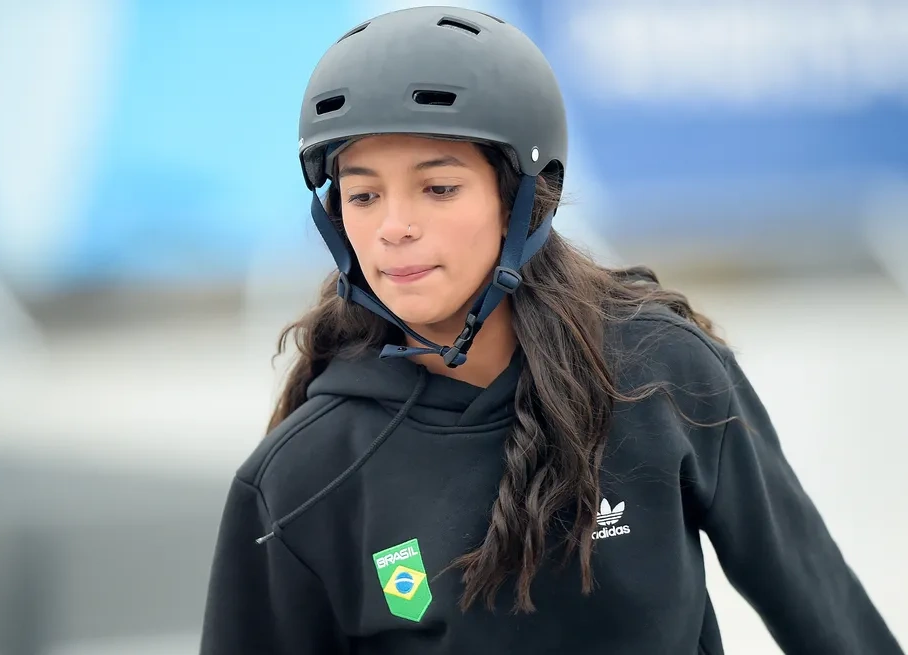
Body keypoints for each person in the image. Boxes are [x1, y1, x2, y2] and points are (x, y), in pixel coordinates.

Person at [199, 7, 902, 654]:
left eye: (438, 187)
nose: (394, 226)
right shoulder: (299, 479)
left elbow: (828, 619)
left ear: (525, 198)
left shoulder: (661, 373)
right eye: (362, 194)